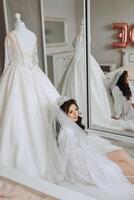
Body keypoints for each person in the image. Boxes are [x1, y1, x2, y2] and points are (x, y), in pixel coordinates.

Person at [0, 13, 60, 177]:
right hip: (32, 74)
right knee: (18, 115)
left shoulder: (14, 35)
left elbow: (7, 62)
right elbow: (35, 61)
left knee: (33, 114)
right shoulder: (17, 35)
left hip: (20, 75)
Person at [46, 97, 134, 199]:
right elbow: (64, 155)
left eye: (76, 110)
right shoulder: (66, 132)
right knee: (118, 168)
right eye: (71, 112)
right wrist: (59, 176)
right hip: (81, 166)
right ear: (64, 115)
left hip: (87, 157)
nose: (75, 113)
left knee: (120, 153)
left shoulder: (72, 126)